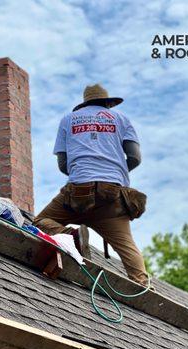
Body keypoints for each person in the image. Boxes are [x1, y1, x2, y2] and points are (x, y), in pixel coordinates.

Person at [33, 83, 149, 286]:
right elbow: (135, 157)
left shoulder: (68, 120)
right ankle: (143, 287)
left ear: (85, 102)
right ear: (107, 103)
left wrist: (84, 174)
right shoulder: (122, 119)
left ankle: (71, 237)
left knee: (41, 221)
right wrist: (113, 175)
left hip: (77, 194)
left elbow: (63, 164)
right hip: (112, 196)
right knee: (128, 247)